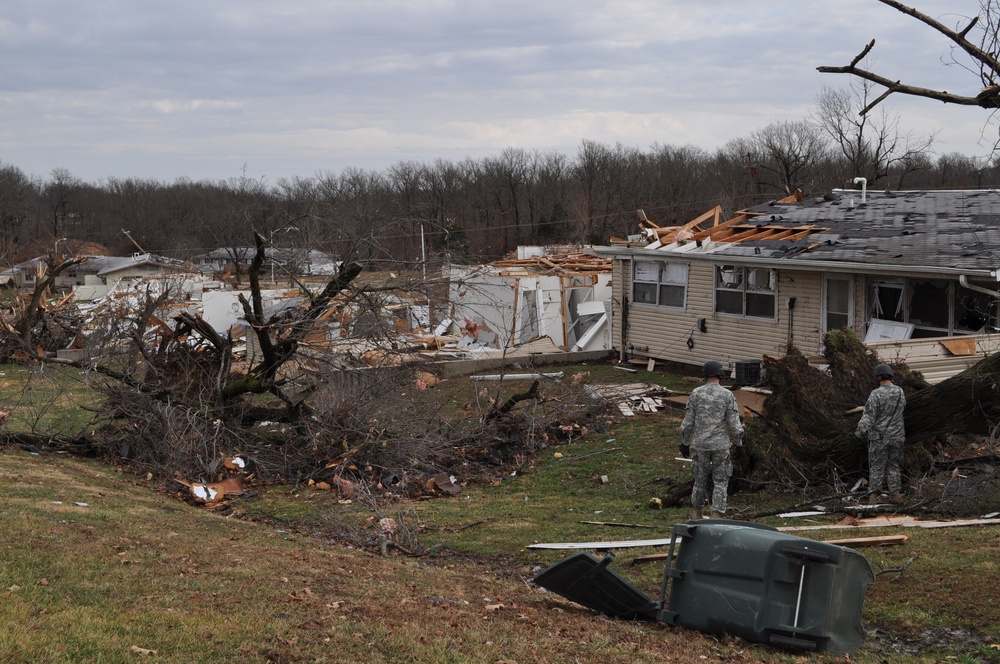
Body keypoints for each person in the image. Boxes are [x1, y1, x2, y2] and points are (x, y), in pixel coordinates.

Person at [680, 359, 744, 519]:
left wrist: (684, 443)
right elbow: (735, 425)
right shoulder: (727, 395)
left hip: (700, 445)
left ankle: (697, 514)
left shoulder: (696, 393)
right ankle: (716, 514)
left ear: (704, 375)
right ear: (720, 374)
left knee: (699, 480)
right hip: (720, 446)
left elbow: (687, 423)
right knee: (721, 481)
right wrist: (739, 445)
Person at [855, 363, 906, 505]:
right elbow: (902, 408)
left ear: (877, 377)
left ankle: (874, 496)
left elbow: (869, 416)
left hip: (879, 438)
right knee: (894, 465)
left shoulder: (876, 394)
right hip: (897, 437)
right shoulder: (900, 392)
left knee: (877, 466)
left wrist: (859, 433)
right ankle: (896, 494)